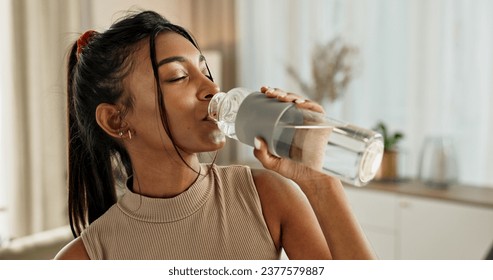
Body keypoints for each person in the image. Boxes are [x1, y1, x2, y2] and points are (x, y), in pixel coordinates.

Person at [55, 10, 375, 260]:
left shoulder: (266, 196)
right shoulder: (86, 258)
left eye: (205, 71)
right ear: (115, 119)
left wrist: (319, 183)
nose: (212, 88)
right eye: (179, 76)